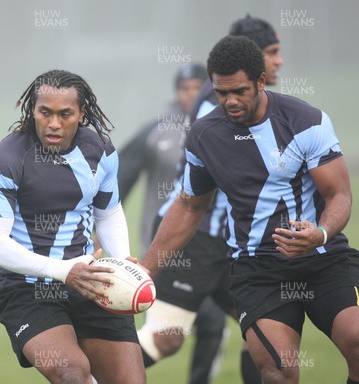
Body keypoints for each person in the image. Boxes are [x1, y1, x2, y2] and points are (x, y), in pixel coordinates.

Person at [141, 34, 359, 384]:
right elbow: (189, 205)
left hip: (323, 257)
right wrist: (147, 267)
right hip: (257, 268)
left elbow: (340, 195)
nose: (229, 101)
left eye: (239, 91)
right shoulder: (204, 135)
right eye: (220, 92)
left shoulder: (306, 121)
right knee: (276, 369)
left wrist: (319, 232)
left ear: (261, 81)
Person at [0, 69, 146, 384]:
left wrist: (121, 260)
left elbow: (108, 212)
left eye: (65, 114)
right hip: (26, 289)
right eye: (45, 113)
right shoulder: (4, 160)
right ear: (32, 112)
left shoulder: (100, 150)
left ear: (82, 114)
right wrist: (63, 270)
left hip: (91, 282)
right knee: (71, 374)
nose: (54, 123)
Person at [138, 15, 282, 384]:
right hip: (195, 236)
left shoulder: (260, 104)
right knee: (167, 338)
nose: (279, 61)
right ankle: (86, 375)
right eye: (272, 52)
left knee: (267, 335)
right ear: (253, 59)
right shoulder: (218, 107)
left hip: (228, 244)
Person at [118, 63, 230, 384]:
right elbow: (120, 180)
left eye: (198, 88)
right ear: (176, 92)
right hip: (170, 247)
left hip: (218, 246)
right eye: (185, 89)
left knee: (238, 329)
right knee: (175, 333)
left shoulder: (225, 126)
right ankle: (98, 373)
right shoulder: (156, 131)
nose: (191, 95)